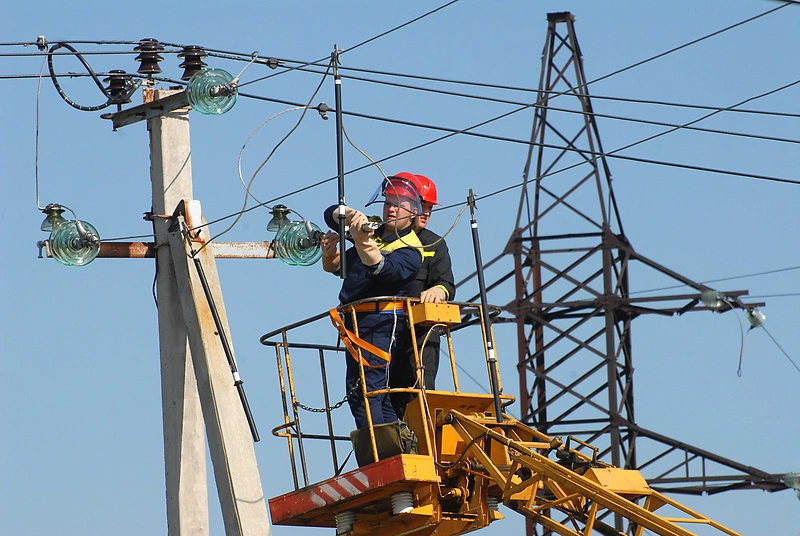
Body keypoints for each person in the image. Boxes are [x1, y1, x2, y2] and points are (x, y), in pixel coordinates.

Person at [320, 175, 424, 430]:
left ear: (412, 214)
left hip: (380, 323)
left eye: (399, 204)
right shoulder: (373, 232)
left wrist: (362, 240)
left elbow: (380, 268)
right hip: (355, 321)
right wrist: (349, 215)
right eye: (388, 202)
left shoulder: (411, 250)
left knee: (370, 392)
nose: (391, 208)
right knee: (362, 393)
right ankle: (393, 448)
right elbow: (329, 214)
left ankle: (384, 453)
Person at [389, 174, 456, 417]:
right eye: (423, 207)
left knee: (419, 396)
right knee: (381, 397)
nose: (426, 214)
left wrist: (439, 290)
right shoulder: (384, 239)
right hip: (385, 334)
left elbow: (446, 283)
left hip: (420, 338)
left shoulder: (434, 244)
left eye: (430, 209)